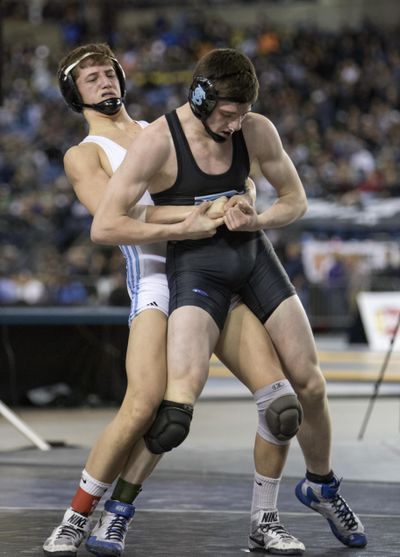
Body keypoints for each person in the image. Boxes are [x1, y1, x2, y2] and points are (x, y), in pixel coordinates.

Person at [91, 47, 367, 551]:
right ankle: (118, 510)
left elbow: (295, 199)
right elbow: (105, 225)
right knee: (175, 413)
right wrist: (186, 222)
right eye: (227, 113)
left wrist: (257, 219)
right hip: (196, 269)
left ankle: (315, 489)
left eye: (243, 113)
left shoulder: (256, 129)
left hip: (253, 259)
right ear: (200, 98)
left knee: (304, 388)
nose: (236, 124)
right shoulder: (159, 141)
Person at [43, 43, 305, 556]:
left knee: (274, 405)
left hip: (212, 265)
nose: (102, 82)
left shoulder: (162, 129)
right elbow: (115, 219)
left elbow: (235, 175)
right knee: (146, 404)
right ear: (74, 93)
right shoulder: (85, 154)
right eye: (90, 77)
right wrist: (191, 217)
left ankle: (254, 519)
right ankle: (77, 517)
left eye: (107, 72)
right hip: (160, 274)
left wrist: (237, 199)